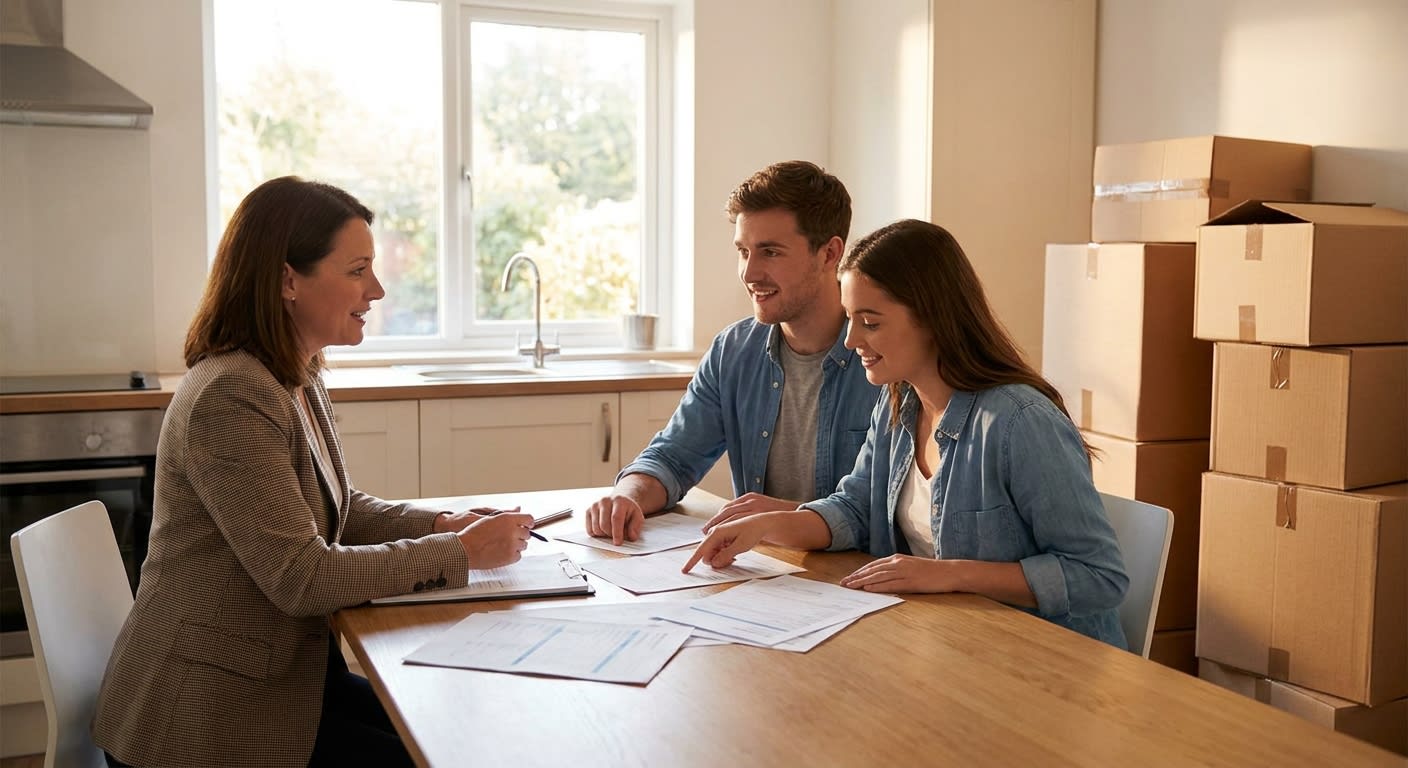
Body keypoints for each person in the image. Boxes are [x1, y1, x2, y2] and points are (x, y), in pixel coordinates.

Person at [92, 176, 535, 768]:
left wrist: (443, 521)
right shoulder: (232, 393)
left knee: (454, 737)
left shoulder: (293, 374)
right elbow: (300, 576)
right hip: (205, 715)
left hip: (273, 682)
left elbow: (339, 509)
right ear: (286, 280)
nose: (376, 289)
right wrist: (458, 551)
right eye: (357, 270)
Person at [683, 219, 1130, 648]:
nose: (851, 340)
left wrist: (947, 574)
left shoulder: (1020, 421)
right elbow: (854, 509)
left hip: (1046, 665)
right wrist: (766, 526)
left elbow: (1098, 576)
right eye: (851, 318)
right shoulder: (899, 403)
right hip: (948, 644)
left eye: (871, 323)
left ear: (933, 319)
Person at [585, 161, 881, 544]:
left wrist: (786, 518)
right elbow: (673, 457)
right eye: (743, 251)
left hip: (856, 579)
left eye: (770, 252)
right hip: (765, 571)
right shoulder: (734, 351)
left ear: (829, 254)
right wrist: (627, 497)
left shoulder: (882, 356)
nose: (749, 272)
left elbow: (894, 515)